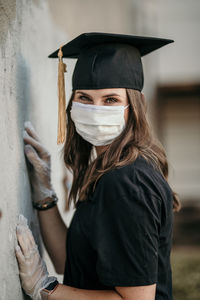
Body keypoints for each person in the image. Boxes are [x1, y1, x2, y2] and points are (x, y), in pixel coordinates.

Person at [15, 32, 181, 300]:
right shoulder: (112, 170)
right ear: (71, 104)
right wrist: (42, 192)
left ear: (133, 107)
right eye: (84, 97)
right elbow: (70, 262)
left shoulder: (126, 182)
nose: (95, 110)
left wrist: (45, 288)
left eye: (110, 100)